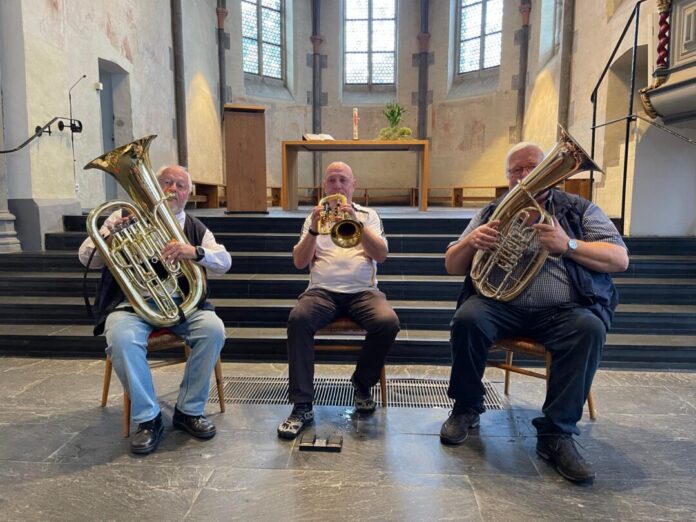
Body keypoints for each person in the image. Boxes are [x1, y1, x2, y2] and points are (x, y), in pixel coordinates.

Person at [440, 142, 629, 485]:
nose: (526, 176)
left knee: (588, 327)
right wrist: (471, 243)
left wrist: (567, 244)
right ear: (508, 177)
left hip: (562, 310)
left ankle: (556, 434)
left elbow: (619, 259)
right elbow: (452, 264)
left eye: (533, 167)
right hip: (499, 305)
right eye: (517, 170)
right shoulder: (491, 212)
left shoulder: (579, 210)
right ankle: (466, 407)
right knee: (468, 319)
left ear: (553, 172)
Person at [79, 165, 231, 455]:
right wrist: (109, 235)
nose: (173, 189)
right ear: (153, 187)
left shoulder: (195, 227)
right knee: (121, 339)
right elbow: (86, 258)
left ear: (188, 194)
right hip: (131, 305)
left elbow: (225, 262)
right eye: (167, 183)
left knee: (213, 330)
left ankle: (189, 410)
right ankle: (148, 419)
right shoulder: (123, 216)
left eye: (181, 185)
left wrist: (194, 252)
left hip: (182, 303)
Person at [277, 161, 400, 439]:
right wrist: (313, 230)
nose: (337, 186)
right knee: (298, 319)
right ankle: (302, 405)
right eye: (332, 180)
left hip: (363, 293)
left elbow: (381, 255)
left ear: (353, 185)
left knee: (388, 322)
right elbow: (299, 261)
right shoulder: (313, 219)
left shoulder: (369, 215)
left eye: (343, 180)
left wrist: (356, 223)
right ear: (324, 187)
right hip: (322, 292)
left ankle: (362, 383)